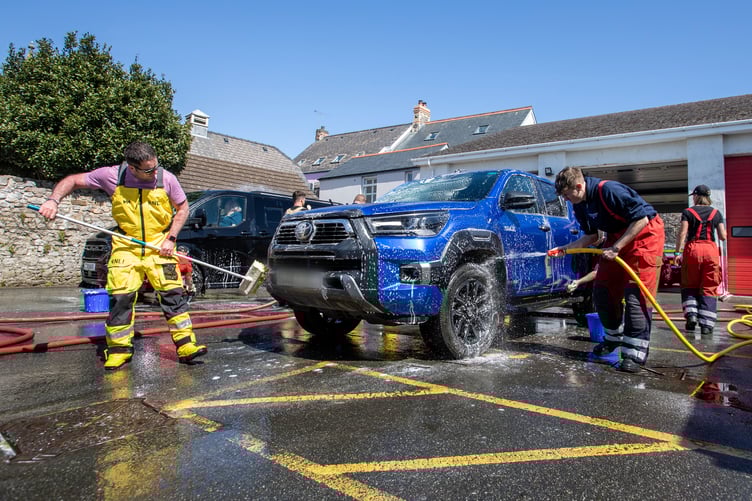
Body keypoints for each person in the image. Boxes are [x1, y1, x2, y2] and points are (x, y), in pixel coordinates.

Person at [39, 142, 207, 370]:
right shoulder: (111, 176)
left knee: (173, 294)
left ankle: (186, 346)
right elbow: (72, 180)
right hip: (126, 244)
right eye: (148, 170)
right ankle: (119, 350)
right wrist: (53, 200)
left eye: (155, 166)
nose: (154, 172)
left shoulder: (167, 179)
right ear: (132, 167)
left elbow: (183, 208)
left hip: (159, 244)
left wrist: (171, 238)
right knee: (120, 299)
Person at [550, 167, 664, 373]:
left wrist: (617, 247)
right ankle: (612, 339)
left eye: (567, 195)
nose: (566, 200)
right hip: (617, 238)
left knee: (635, 296)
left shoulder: (609, 190)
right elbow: (591, 237)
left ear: (579, 186)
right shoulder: (580, 205)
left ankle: (634, 354)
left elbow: (641, 219)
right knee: (603, 289)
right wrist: (565, 250)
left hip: (644, 237)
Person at [675, 184, 727, 335]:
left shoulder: (688, 212)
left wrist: (677, 253)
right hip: (711, 250)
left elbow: (682, 233)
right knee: (709, 286)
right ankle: (707, 325)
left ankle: (691, 316)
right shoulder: (717, 213)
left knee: (689, 284)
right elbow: (723, 236)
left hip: (693, 250)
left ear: (696, 196)